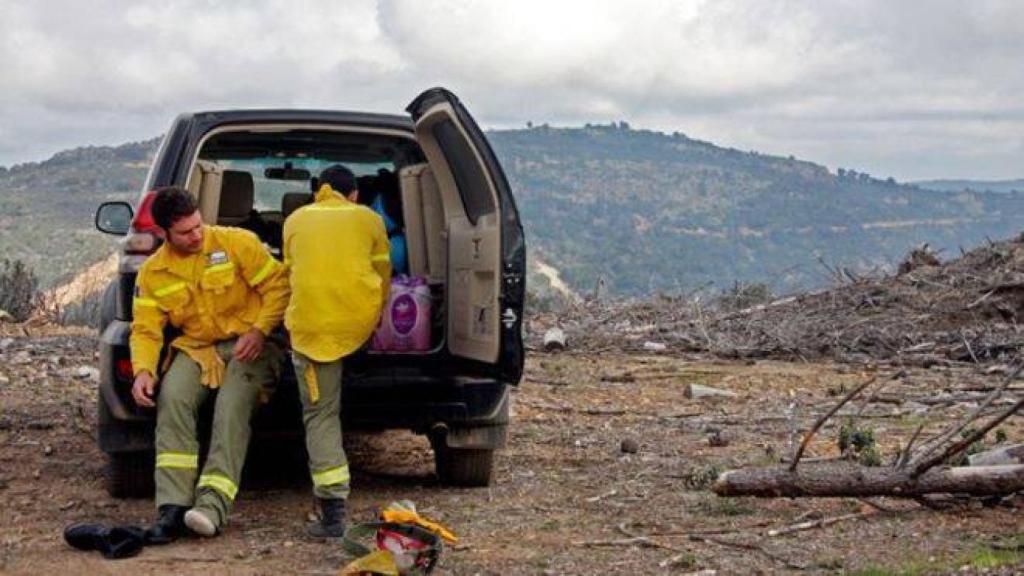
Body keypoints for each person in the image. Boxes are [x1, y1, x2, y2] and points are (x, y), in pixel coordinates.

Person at [129, 187, 289, 541]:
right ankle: (172, 507)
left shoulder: (237, 243)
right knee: (173, 399)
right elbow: (146, 328)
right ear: (164, 234)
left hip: (252, 342)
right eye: (185, 232)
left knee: (231, 406)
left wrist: (261, 331)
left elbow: (279, 288)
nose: (196, 235)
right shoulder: (153, 273)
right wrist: (143, 370)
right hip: (199, 348)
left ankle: (211, 506)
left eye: (198, 225)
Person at [283, 165, 391, 537]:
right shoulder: (370, 220)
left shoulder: (295, 220)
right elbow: (384, 276)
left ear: (319, 193)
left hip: (312, 333)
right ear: (355, 194)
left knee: (321, 416)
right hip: (361, 327)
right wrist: (376, 320)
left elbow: (289, 275)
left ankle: (332, 513)